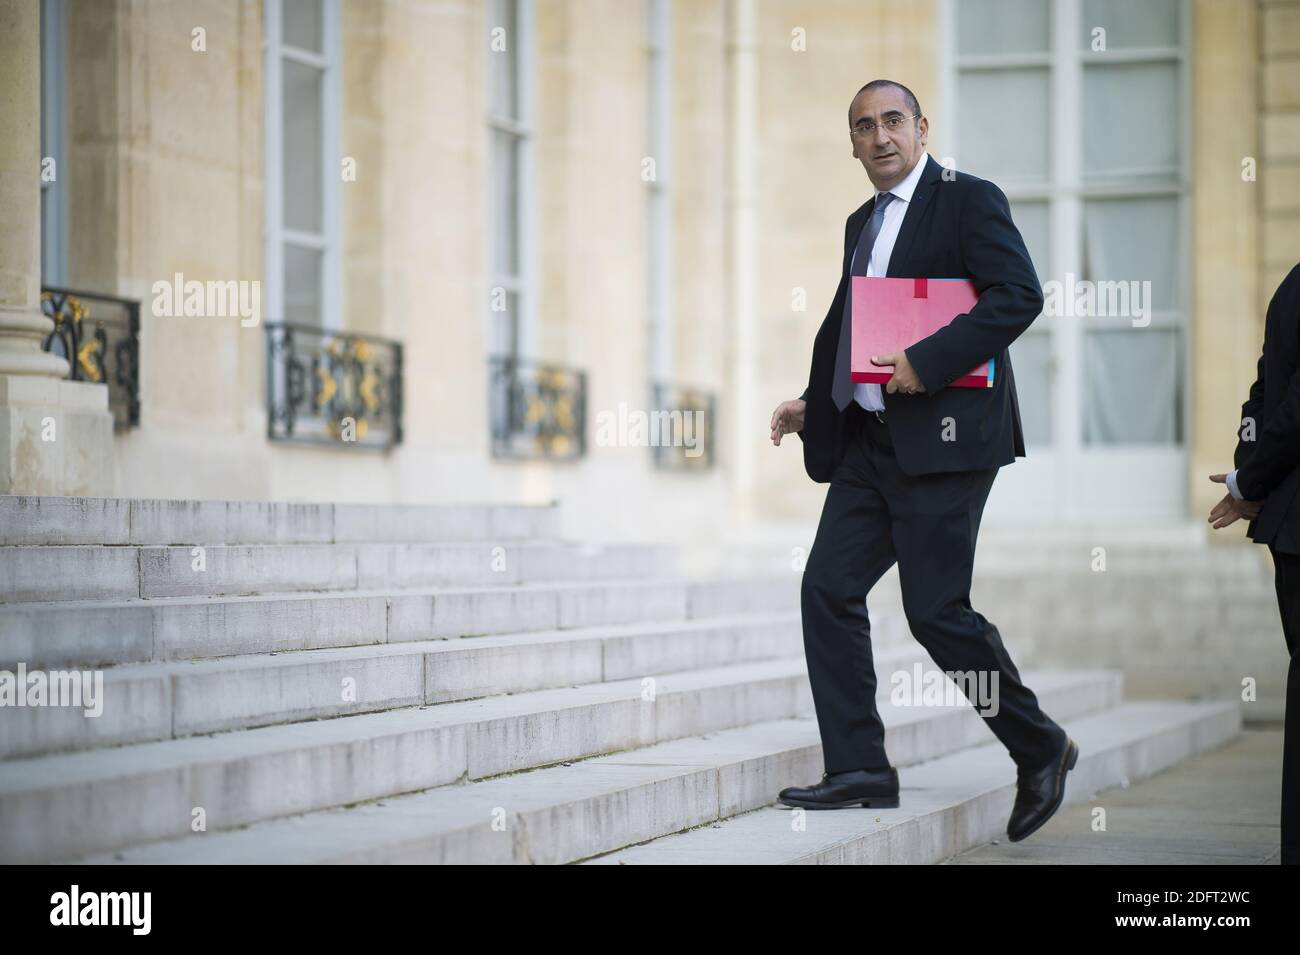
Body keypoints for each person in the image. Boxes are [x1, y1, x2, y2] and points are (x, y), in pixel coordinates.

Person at [769, 79, 1075, 842]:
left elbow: (1018, 296)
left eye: (893, 121)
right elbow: (855, 326)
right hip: (872, 446)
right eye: (864, 126)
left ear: (921, 127)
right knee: (827, 589)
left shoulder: (968, 199)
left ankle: (1039, 745)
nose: (880, 137)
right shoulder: (861, 223)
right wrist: (820, 405)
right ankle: (860, 768)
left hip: (947, 444)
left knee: (936, 612)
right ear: (852, 142)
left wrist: (925, 361)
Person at [1207, 262, 1300, 865]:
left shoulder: (1293, 282)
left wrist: (1250, 473)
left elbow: (1265, 397)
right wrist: (1251, 477)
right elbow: (1279, 398)